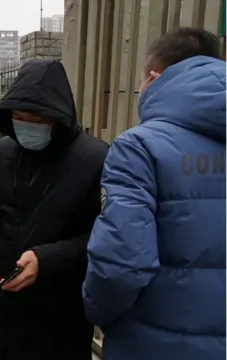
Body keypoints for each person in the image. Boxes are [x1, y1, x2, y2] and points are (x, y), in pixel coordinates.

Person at [0, 59, 109, 359]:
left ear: (58, 117)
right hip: (1, 299)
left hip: (58, 310)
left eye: (35, 118)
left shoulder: (94, 158)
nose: (26, 125)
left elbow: (101, 237)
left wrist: (45, 259)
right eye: (18, 116)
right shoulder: (4, 150)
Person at [83, 28, 226, 360]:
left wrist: (97, 312)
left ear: (153, 78)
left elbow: (120, 262)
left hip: (155, 343)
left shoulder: (140, 147)